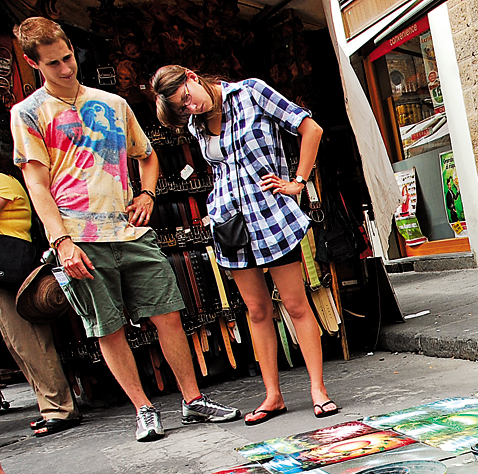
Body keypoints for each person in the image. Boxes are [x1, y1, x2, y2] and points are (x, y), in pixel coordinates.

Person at [11, 17, 240, 442]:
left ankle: (192, 401)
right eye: (54, 63)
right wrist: (61, 241)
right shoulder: (27, 113)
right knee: (107, 327)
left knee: (168, 314)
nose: (66, 68)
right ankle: (144, 409)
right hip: (78, 236)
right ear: (32, 63)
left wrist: (148, 195)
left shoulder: (113, 104)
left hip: (130, 230)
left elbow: (147, 155)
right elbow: (37, 185)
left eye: (67, 57)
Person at [151, 65, 336, 426]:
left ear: (192, 75)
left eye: (187, 98)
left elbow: (310, 128)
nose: (191, 108)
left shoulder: (251, 91)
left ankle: (318, 389)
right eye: (182, 108)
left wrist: (298, 180)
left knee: (296, 304)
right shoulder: (195, 124)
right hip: (230, 223)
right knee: (256, 310)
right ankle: (273, 395)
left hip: (271, 214)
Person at [0, 143, 82, 436]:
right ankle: (48, 405)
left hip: (10, 269)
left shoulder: (3, 181)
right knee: (17, 344)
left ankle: (60, 408)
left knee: (30, 342)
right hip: (5, 271)